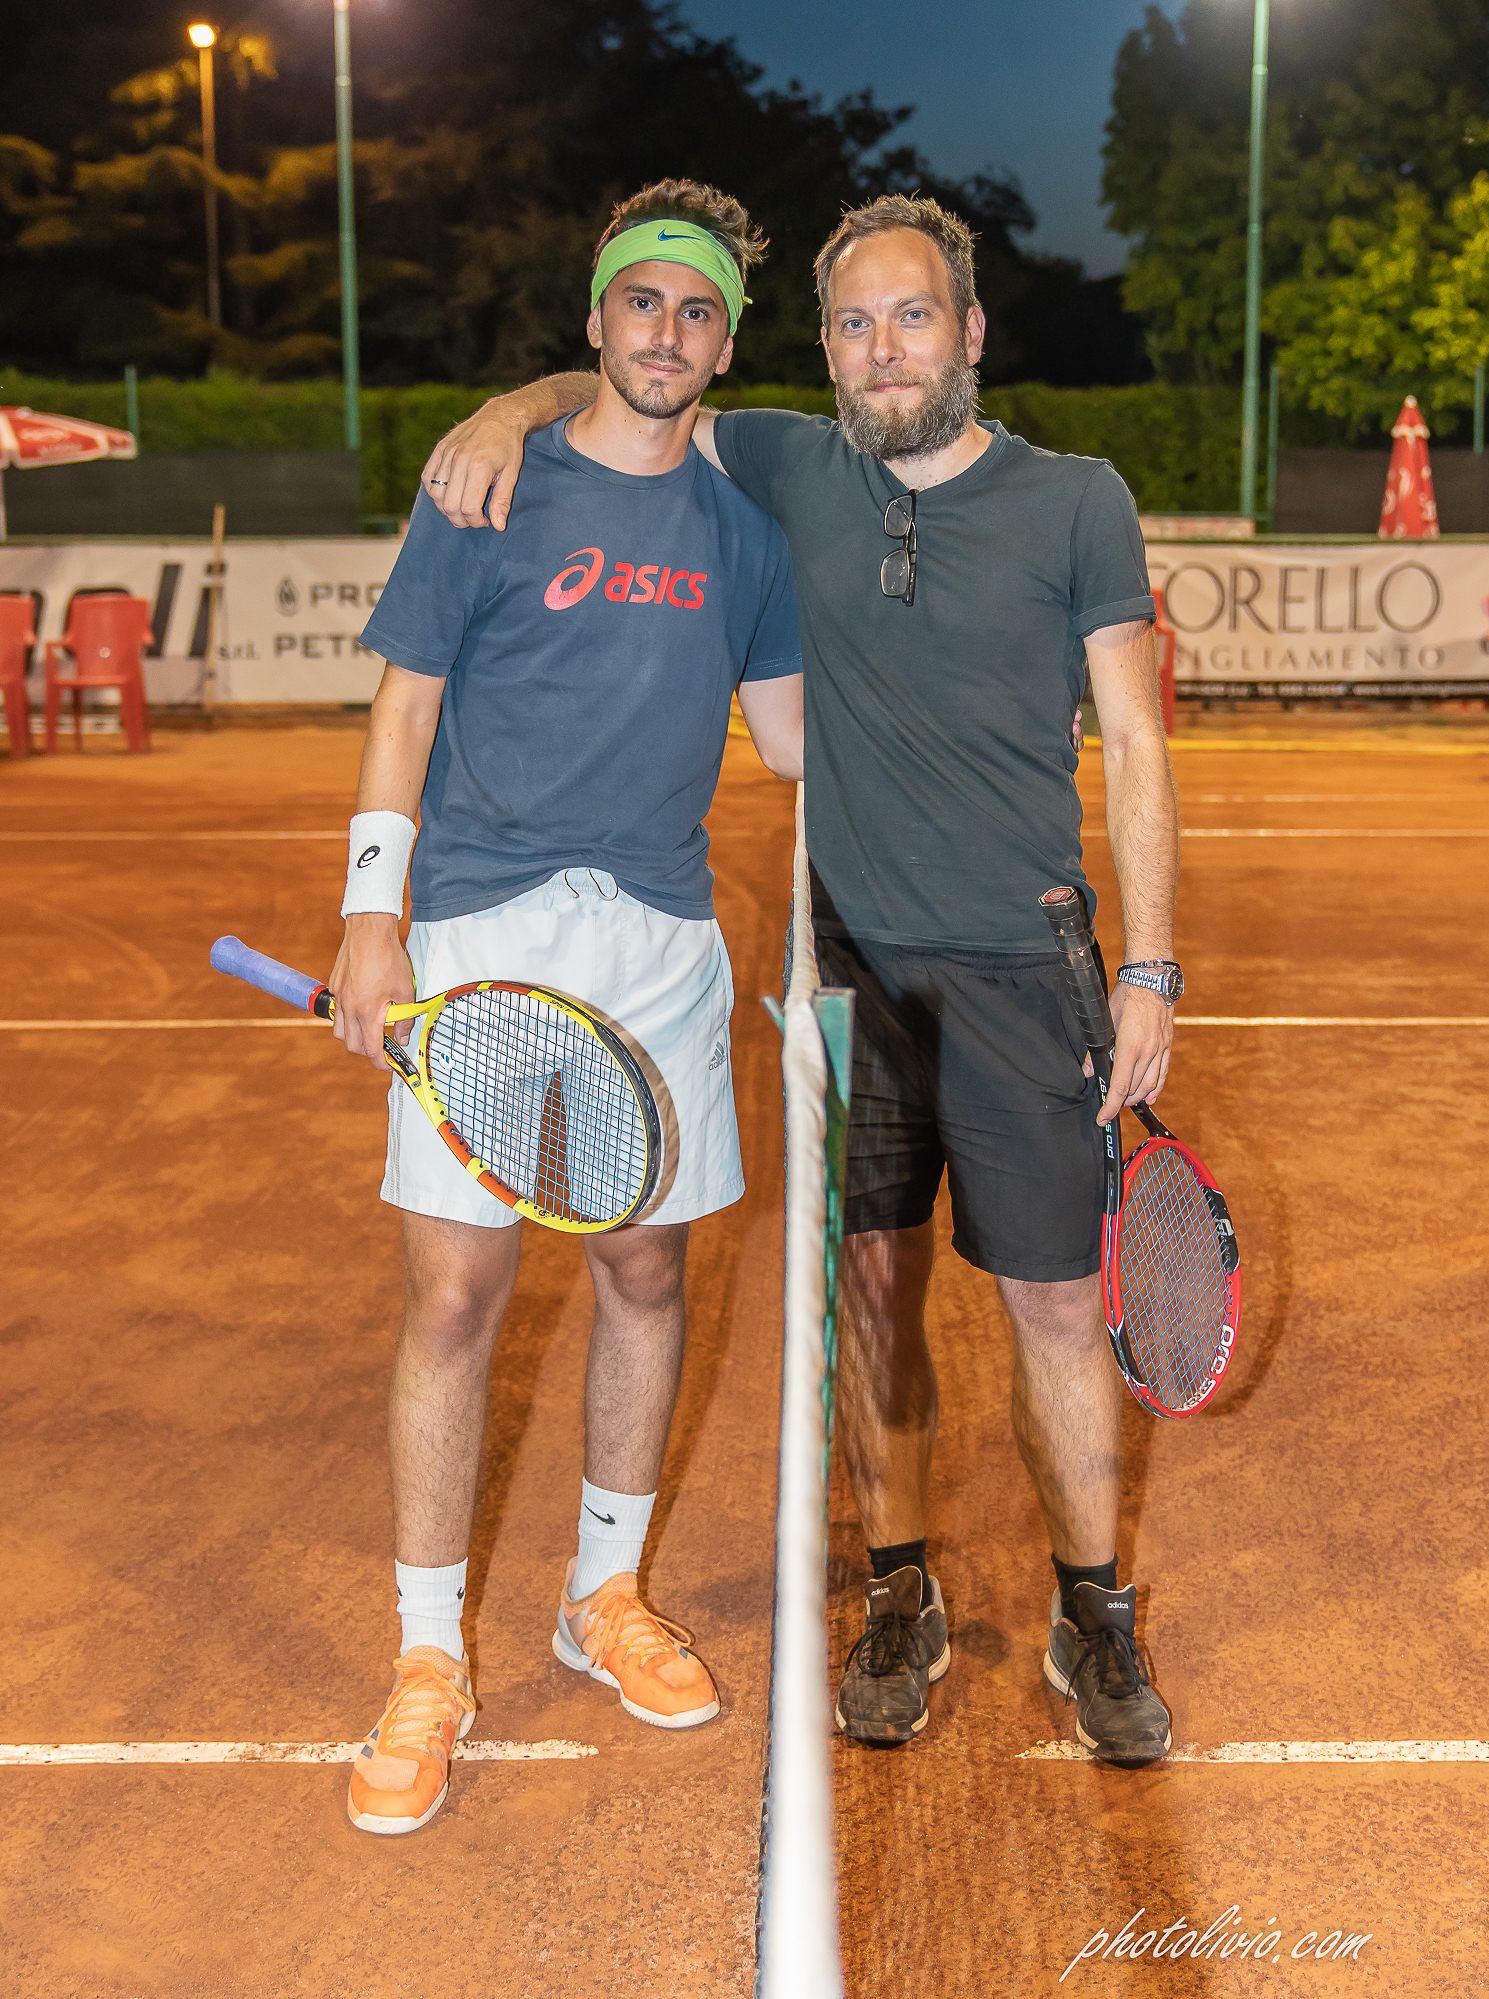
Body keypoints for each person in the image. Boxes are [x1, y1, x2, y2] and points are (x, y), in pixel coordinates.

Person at [418, 193, 1181, 1765]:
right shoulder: (784, 466)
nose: (885, 348)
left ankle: (1090, 1609)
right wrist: (508, 409)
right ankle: (897, 1588)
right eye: (853, 323)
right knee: (876, 1297)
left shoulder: (1077, 499)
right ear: (824, 351)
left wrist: (1153, 970)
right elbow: (635, 380)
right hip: (854, 975)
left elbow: (1138, 743)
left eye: (914, 316)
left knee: (1054, 1303)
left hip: (1027, 968)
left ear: (970, 331)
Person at [333, 178, 804, 1835]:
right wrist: (371, 919)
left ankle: (601, 1595)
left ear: (724, 345)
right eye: (641, 302)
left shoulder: (749, 532)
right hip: (477, 926)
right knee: (456, 1295)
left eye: (697, 310)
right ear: (596, 318)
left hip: (660, 937)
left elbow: (796, 742)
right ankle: (425, 1655)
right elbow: (403, 711)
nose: (666, 332)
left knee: (644, 1270)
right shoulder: (491, 483)